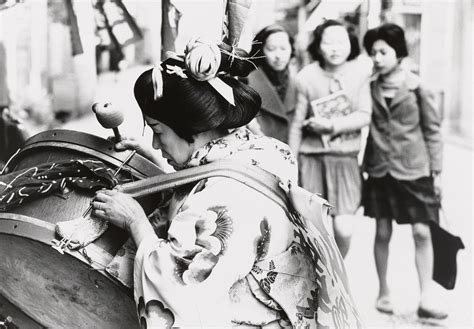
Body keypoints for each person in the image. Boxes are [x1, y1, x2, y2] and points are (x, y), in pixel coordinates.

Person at [89, 39, 359, 328]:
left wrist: (134, 221)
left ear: (190, 127)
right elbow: (202, 184)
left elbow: (183, 289)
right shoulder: (253, 152)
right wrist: (159, 160)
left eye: (158, 131)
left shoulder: (229, 195)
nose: (155, 141)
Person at [362, 23, 446, 319]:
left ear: (398, 53)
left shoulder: (417, 85)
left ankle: (427, 296)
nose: (377, 58)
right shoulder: (369, 86)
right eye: (373, 53)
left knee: (423, 232)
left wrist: (437, 171)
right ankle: (384, 291)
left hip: (415, 169)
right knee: (382, 231)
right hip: (380, 169)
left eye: (383, 52)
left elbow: (432, 130)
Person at [288, 20, 372, 258]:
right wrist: (291, 164)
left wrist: (331, 125)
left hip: (346, 161)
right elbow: (296, 124)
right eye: (329, 42)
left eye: (341, 42)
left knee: (344, 229)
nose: (335, 48)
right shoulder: (306, 77)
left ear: (351, 44)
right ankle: (320, 280)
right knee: (313, 229)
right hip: (312, 161)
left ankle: (336, 270)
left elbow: (365, 115)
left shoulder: (361, 74)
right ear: (318, 45)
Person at [246, 24, 297, 143]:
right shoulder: (247, 81)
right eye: (271, 49)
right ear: (261, 50)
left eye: (283, 48)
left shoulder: (299, 81)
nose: (278, 56)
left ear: (291, 49)